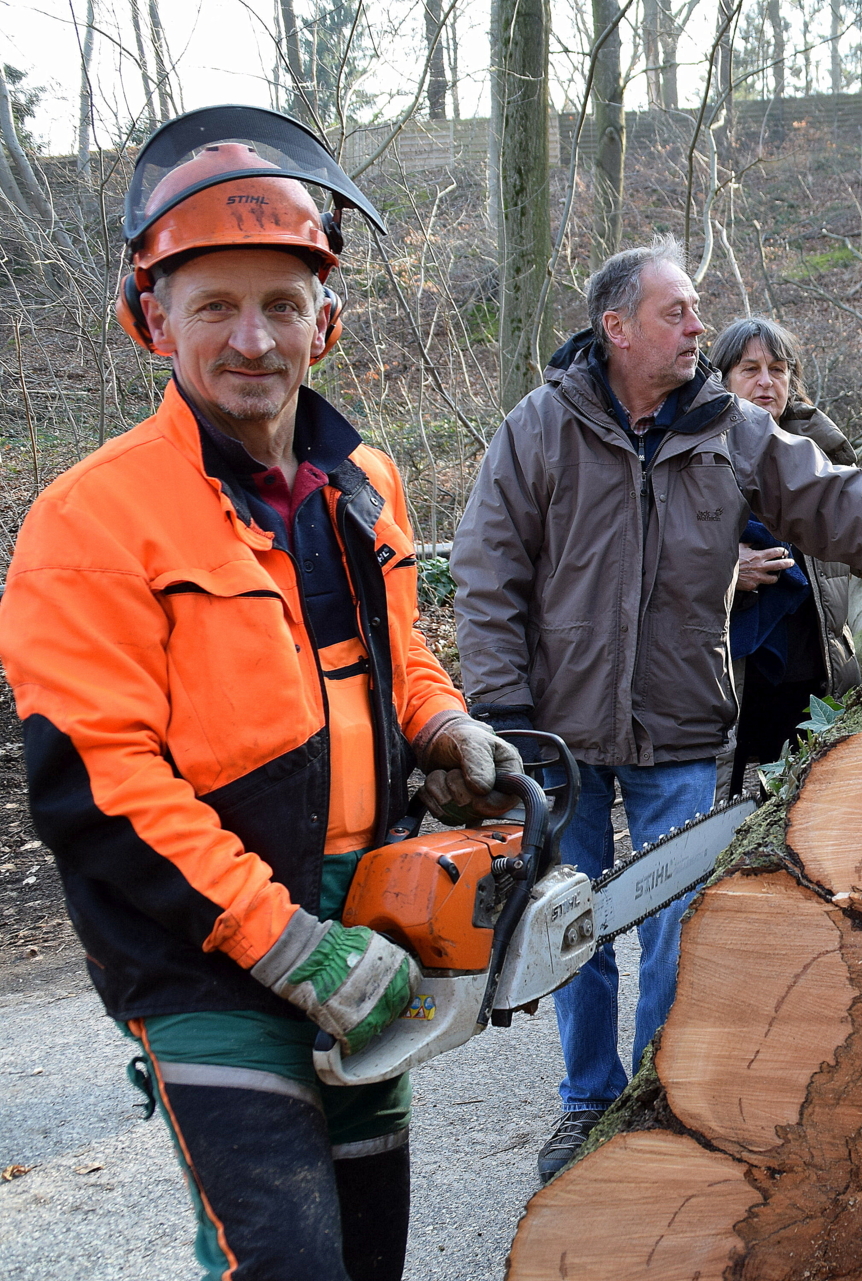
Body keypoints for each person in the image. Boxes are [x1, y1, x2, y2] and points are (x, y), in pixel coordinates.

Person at [0, 106, 520, 1281]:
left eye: (282, 304)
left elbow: (396, 649)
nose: (253, 338)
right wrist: (288, 946)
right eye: (215, 306)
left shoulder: (360, 479)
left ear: (324, 325)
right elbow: (105, 789)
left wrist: (438, 722)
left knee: (370, 1252)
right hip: (205, 955)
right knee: (284, 1261)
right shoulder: (90, 521)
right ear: (153, 323)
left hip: (367, 917)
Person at [451, 236, 862, 1181]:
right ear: (615, 327)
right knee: (567, 925)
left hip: (682, 719)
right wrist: (504, 713)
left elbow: (838, 505)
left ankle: (653, 1099)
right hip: (559, 729)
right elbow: (488, 574)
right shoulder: (540, 428)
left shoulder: (730, 428)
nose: (699, 324)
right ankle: (584, 1097)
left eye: (698, 308)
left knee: (676, 917)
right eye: (676, 311)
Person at [711, 317, 862, 792]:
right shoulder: (694, 452)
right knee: (715, 824)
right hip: (725, 678)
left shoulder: (824, 451)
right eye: (750, 369)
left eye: (777, 369)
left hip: (815, 668)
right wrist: (728, 567)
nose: (765, 381)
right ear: (722, 379)